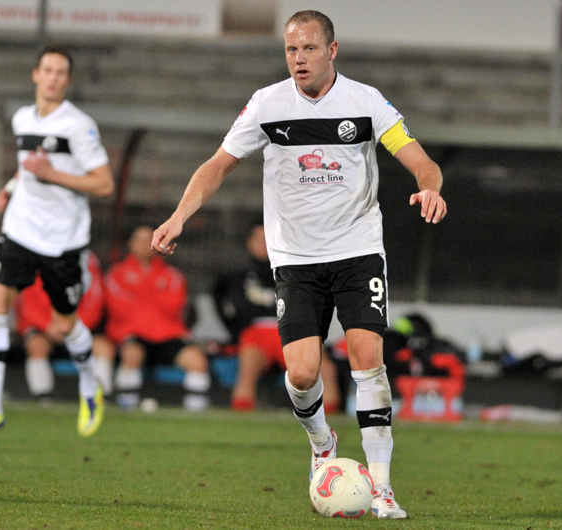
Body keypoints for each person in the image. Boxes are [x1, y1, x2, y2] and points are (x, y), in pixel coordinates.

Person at [152, 10, 446, 518]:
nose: (299, 59)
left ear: (333, 50)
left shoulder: (364, 101)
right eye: (291, 50)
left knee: (366, 358)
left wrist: (430, 187)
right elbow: (217, 165)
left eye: (309, 48)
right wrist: (179, 216)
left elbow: (418, 157)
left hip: (357, 250)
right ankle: (321, 442)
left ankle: (381, 488)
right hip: (295, 259)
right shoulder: (268, 104)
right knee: (304, 372)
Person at [0, 45, 114, 437]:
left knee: (64, 324)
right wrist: (10, 187)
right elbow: (30, 166)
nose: (53, 77)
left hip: (62, 241)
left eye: (61, 72)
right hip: (21, 230)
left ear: (68, 81)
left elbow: (104, 183)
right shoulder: (22, 117)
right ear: (35, 74)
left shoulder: (79, 126)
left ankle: (88, 384)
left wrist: (51, 174)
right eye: (48, 70)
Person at [213, 220, 340, 412]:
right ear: (250, 242)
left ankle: (330, 430)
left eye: (269, 239)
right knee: (247, 374)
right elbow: (217, 296)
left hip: (292, 330)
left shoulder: (294, 271)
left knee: (326, 372)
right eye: (259, 240)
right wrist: (233, 328)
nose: (264, 244)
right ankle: (240, 428)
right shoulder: (237, 274)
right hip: (257, 333)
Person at [100, 225, 210, 411]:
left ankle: (195, 412)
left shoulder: (172, 276)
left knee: (197, 360)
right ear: (131, 244)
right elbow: (119, 309)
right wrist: (151, 294)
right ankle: (126, 408)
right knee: (132, 354)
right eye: (140, 240)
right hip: (132, 336)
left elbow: (173, 307)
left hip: (167, 336)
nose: (145, 245)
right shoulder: (116, 274)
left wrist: (139, 294)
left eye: (149, 239)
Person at [13, 251, 107, 400]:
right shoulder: (34, 254)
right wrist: (48, 326)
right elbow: (26, 303)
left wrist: (74, 326)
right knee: (37, 345)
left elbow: (95, 299)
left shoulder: (87, 259)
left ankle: (100, 397)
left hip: (77, 326)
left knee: (103, 347)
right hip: (47, 329)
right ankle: (42, 398)